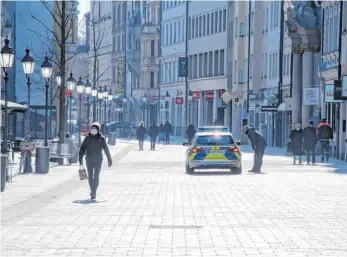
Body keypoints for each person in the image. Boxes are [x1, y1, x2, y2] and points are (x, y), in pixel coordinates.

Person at [79, 122, 112, 200]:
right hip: (89, 159)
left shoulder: (101, 138)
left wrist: (109, 159)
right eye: (92, 128)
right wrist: (80, 159)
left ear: (98, 130)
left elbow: (106, 149)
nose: (93, 130)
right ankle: (93, 191)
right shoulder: (87, 138)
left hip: (98, 160)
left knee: (96, 176)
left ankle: (93, 192)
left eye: (95, 128)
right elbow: (82, 149)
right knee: (90, 176)